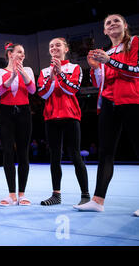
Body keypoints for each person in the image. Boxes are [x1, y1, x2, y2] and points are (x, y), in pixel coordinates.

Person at [74, 14, 139, 213]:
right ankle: (97, 200)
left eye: (116, 21)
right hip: (108, 104)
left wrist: (109, 61)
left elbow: (135, 70)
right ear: (104, 31)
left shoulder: (135, 42)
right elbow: (99, 84)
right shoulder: (106, 52)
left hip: (132, 101)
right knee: (105, 153)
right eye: (108, 23)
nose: (112, 24)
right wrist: (95, 69)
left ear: (125, 26)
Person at [37, 37, 90, 206]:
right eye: (51, 46)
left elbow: (73, 89)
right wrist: (52, 77)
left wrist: (60, 75)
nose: (54, 48)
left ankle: (85, 195)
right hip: (51, 117)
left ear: (66, 49)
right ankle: (56, 195)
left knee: (75, 155)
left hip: (70, 115)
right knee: (54, 157)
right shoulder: (45, 71)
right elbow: (43, 94)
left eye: (58, 45)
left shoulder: (75, 67)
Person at [0, 42, 35, 206]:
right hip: (5, 113)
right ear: (10, 54)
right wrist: (12, 76)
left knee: (23, 153)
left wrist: (22, 73)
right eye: (19, 52)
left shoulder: (29, 70)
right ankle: (11, 194)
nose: (22, 55)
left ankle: (22, 194)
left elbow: (33, 90)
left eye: (23, 53)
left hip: (24, 113)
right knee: (8, 153)